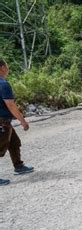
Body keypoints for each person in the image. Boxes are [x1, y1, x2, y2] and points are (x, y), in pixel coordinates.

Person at [0, 58, 34, 186]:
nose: (7, 69)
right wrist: (23, 121)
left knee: (14, 143)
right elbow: (10, 105)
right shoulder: (3, 84)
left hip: (5, 121)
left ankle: (18, 165)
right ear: (2, 67)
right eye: (7, 66)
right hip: (2, 121)